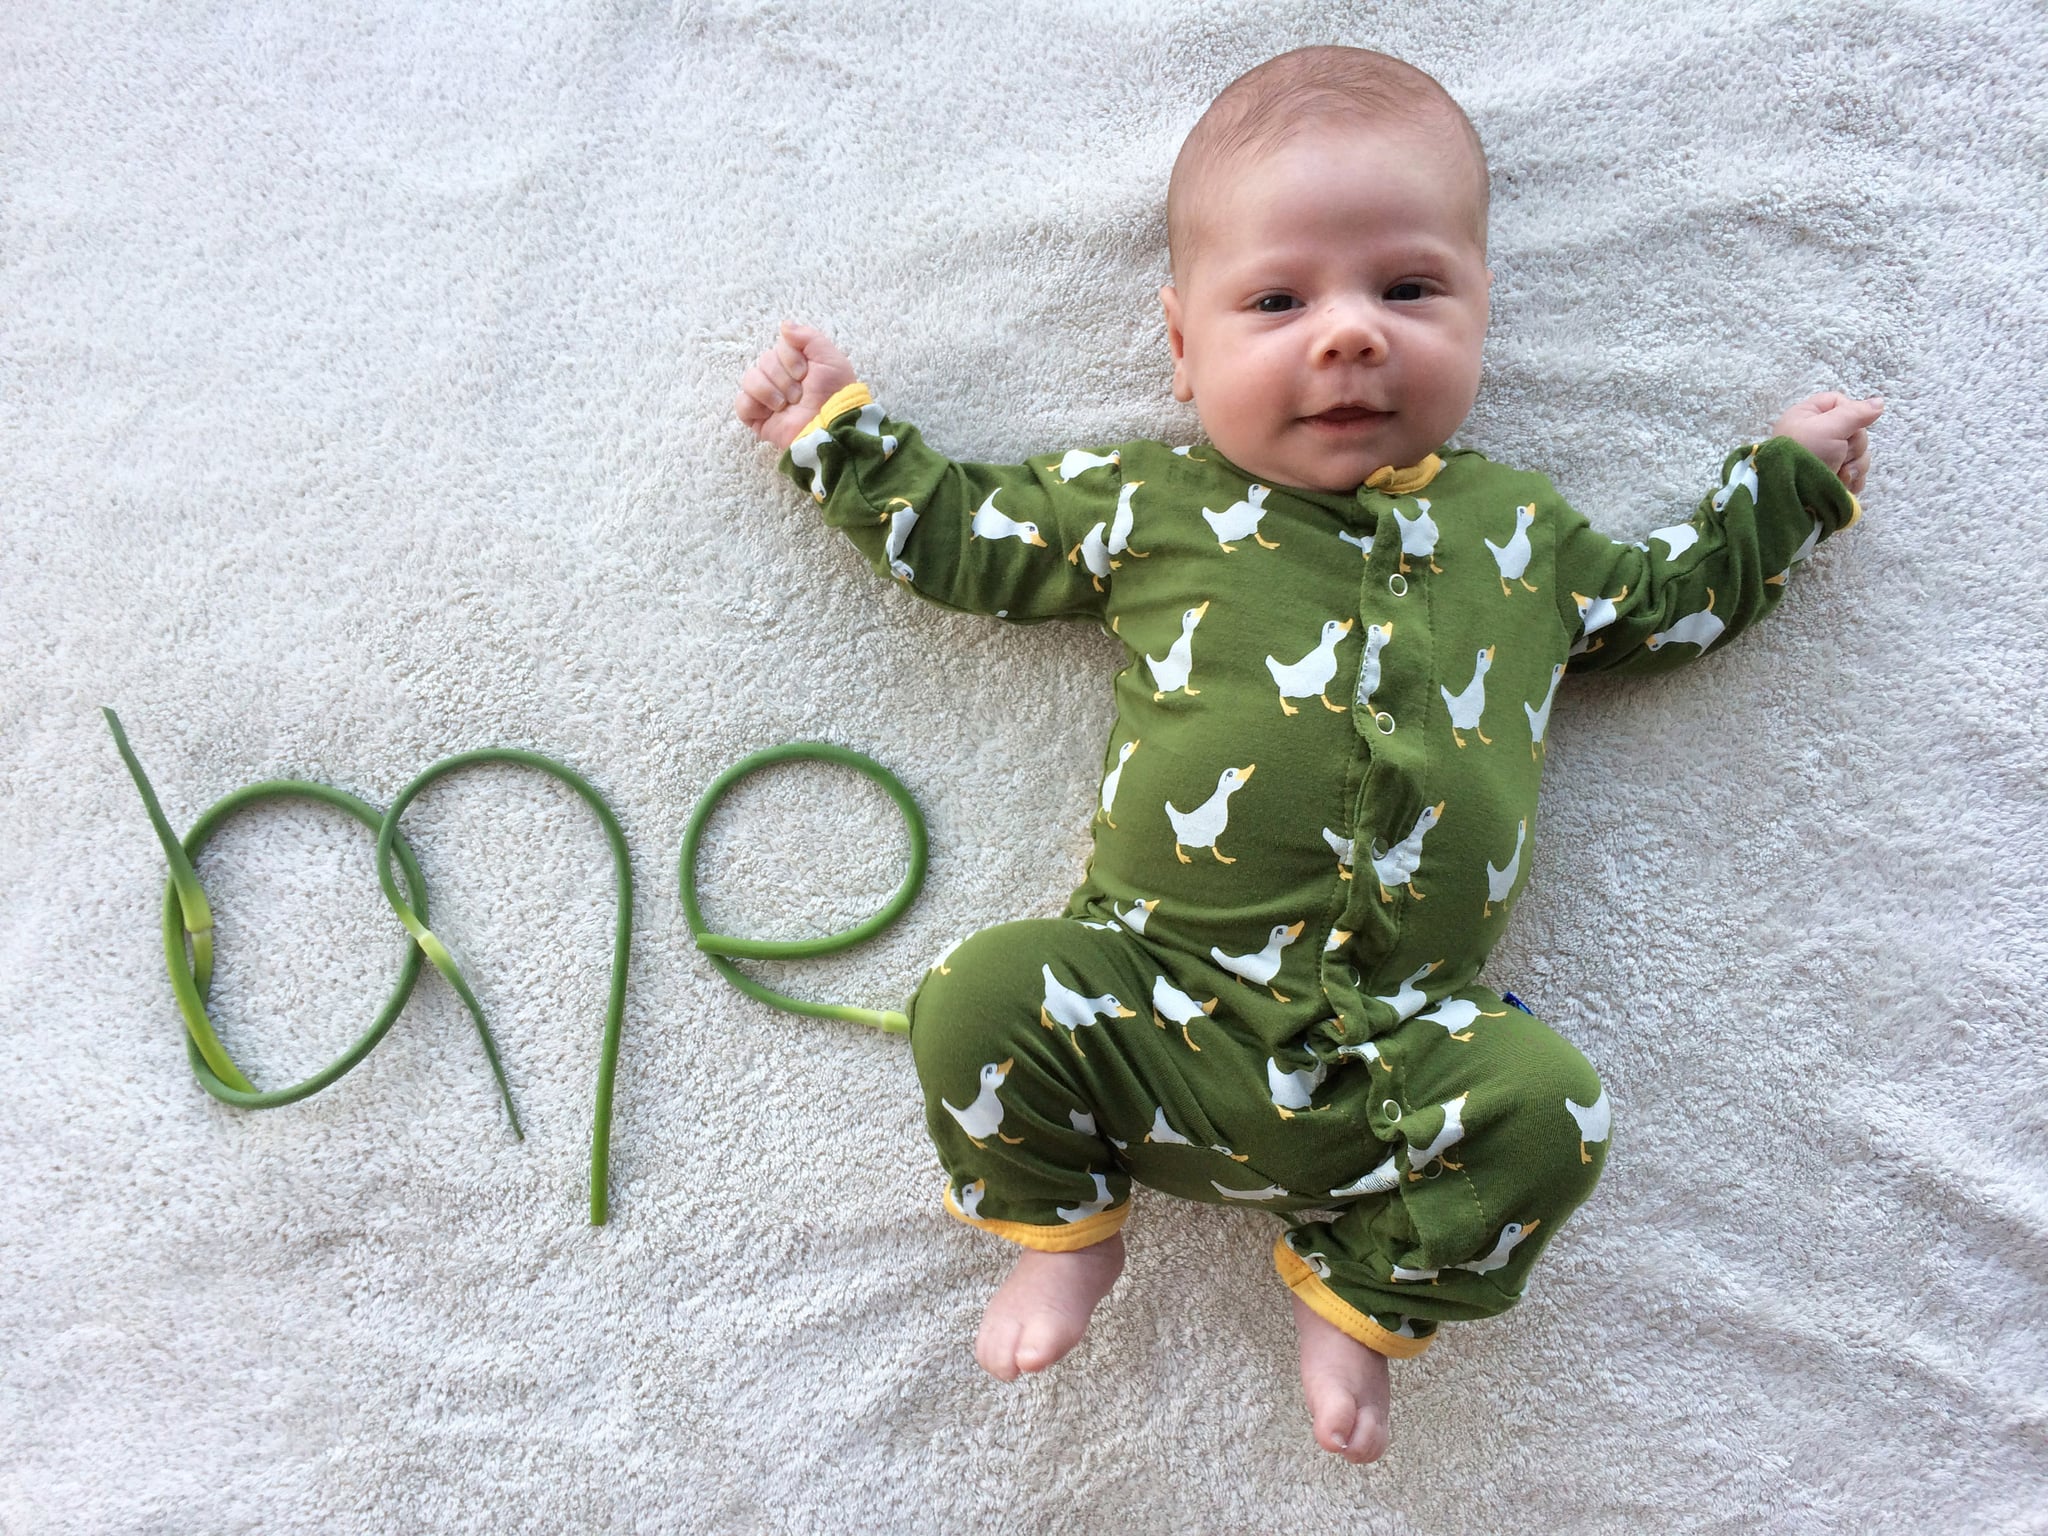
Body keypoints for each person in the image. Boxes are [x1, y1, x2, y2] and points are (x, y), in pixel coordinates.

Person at [732, 44, 1881, 1465]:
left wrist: (1783, 491)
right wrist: (838, 439)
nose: (1348, 336)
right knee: (975, 994)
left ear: (1481, 311)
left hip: (1394, 1056)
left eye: (1407, 290)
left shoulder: (1523, 537)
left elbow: (1667, 605)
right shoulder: (1148, 499)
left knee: (1554, 1110)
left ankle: (1367, 1286)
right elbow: (973, 540)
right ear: (1180, 345)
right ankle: (1062, 1221)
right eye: (1278, 300)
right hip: (1144, 1010)